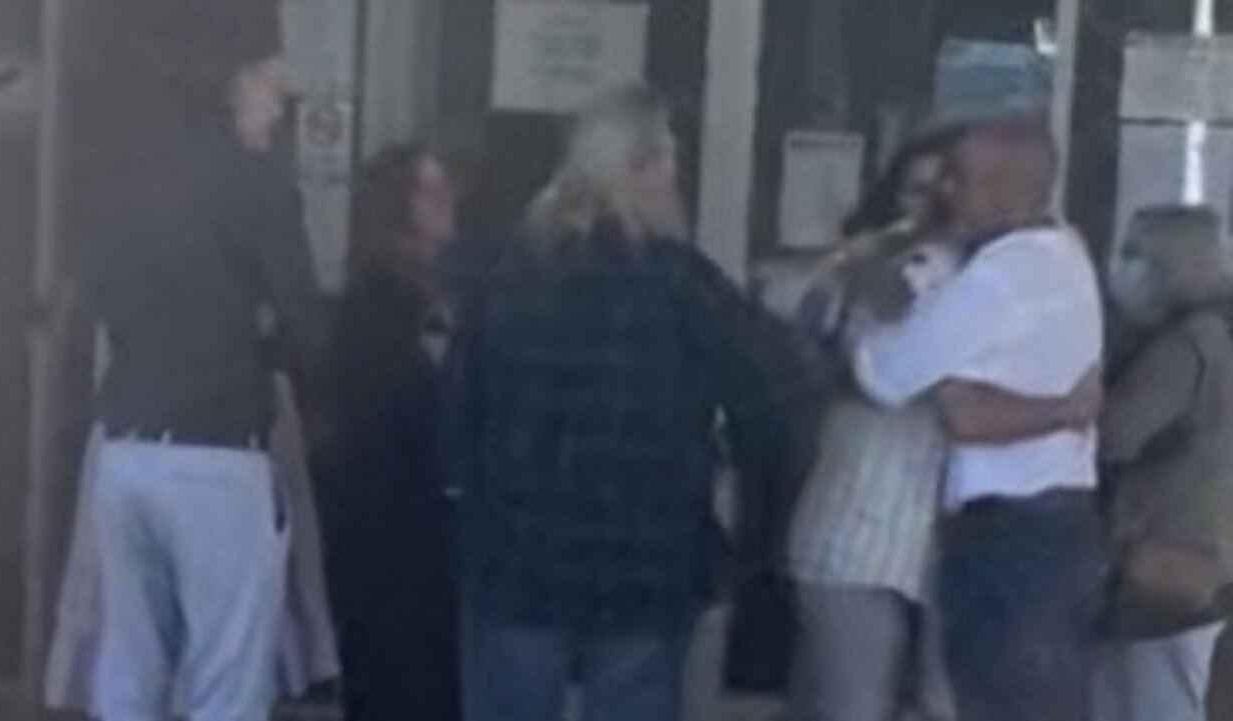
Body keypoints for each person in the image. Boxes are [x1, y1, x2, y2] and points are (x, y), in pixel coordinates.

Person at [444, 84, 818, 721]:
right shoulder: (683, 285)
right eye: (670, 160)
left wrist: (470, 519)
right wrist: (752, 543)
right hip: (647, 565)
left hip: (517, 560)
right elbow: (778, 403)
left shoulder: (510, 276)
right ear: (645, 170)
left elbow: (456, 420)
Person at [56, 2, 330, 720]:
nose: (279, 105)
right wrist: (264, 338)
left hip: (124, 449)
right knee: (226, 683)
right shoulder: (255, 182)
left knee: (129, 676)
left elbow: (99, 294)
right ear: (235, 85)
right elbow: (305, 325)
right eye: (272, 86)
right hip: (217, 457)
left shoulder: (128, 180)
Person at [786, 126, 1100, 721]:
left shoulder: (995, 277)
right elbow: (940, 401)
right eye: (921, 189)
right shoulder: (1062, 255)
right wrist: (1063, 412)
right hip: (873, 535)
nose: (941, 201)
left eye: (954, 184)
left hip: (997, 534)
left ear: (1003, 194)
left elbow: (901, 382)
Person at [318, 143, 461, 721]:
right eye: (434, 191)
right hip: (391, 537)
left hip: (403, 534)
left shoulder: (421, 294)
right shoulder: (383, 304)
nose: (451, 203)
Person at [1095, 206, 1233, 721]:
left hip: (1164, 547)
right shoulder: (1220, 332)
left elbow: (1117, 436)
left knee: (1153, 699)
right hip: (1210, 547)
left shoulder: (1188, 343)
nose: (1122, 266)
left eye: (1135, 253)